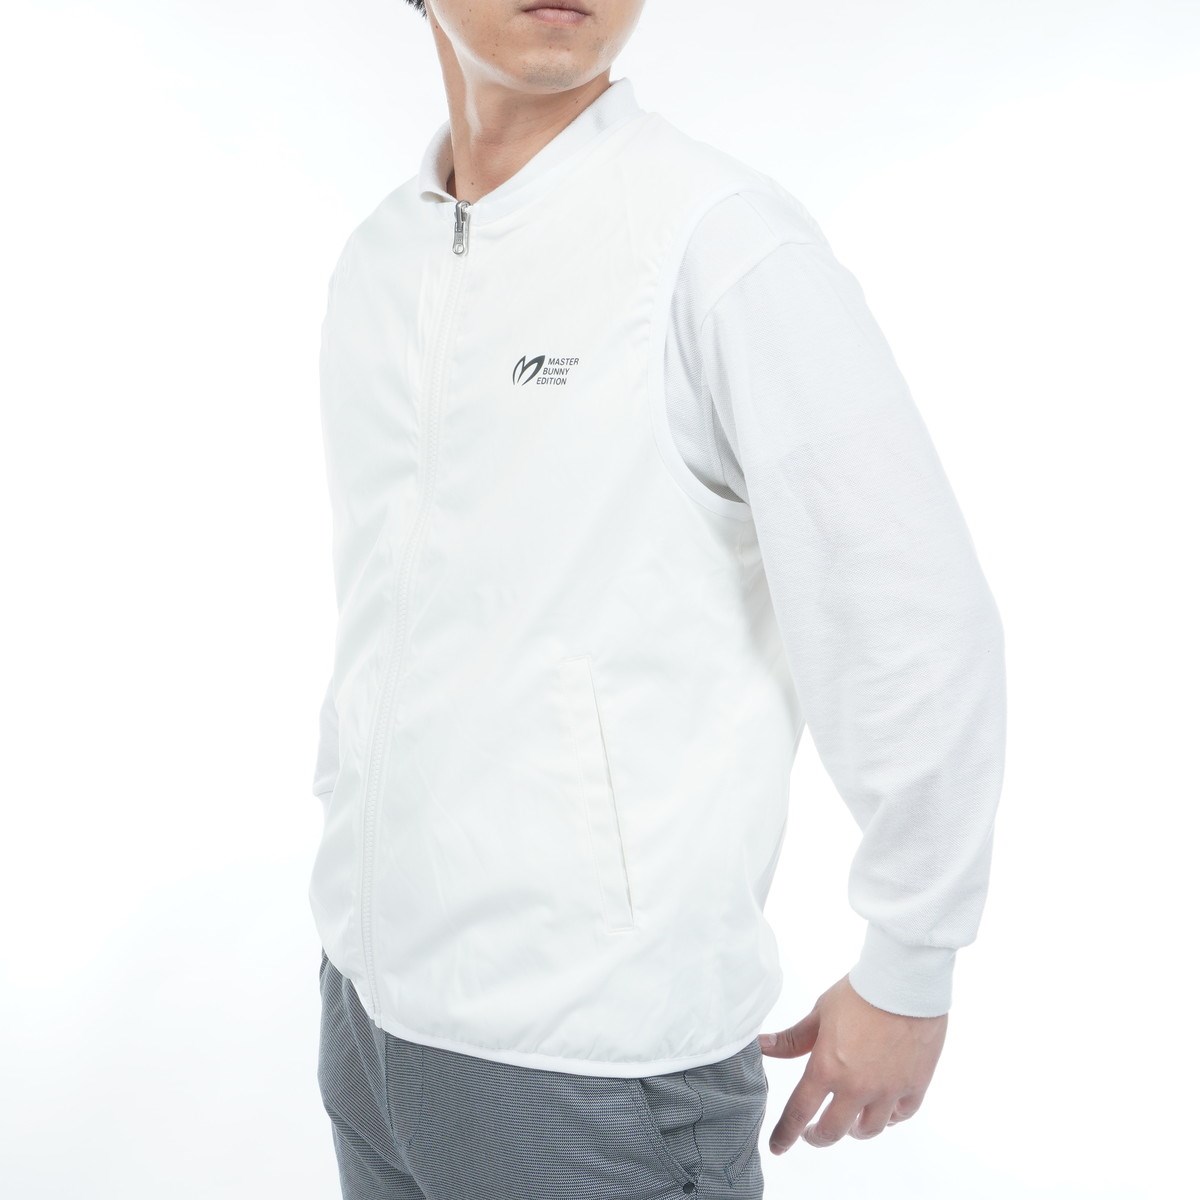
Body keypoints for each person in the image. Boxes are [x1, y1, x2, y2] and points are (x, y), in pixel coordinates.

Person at [309, 2, 1007, 1197]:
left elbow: (910, 611)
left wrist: (911, 959)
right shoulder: (382, 259)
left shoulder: (718, 243)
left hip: (595, 1066)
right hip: (368, 1020)